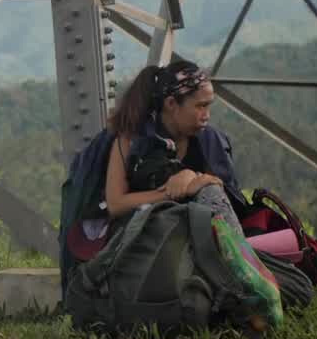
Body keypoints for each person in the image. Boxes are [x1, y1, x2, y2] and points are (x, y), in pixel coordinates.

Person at [103, 60, 246, 235]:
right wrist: (174, 191)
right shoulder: (132, 140)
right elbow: (116, 204)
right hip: (141, 236)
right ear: (171, 104)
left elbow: (221, 192)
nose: (206, 116)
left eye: (209, 106)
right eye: (200, 106)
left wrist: (192, 176)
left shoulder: (209, 142)